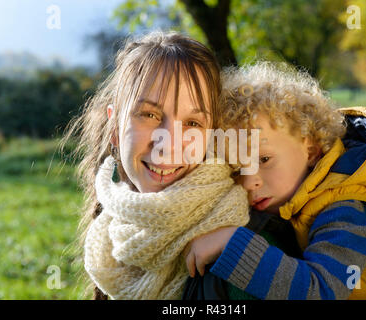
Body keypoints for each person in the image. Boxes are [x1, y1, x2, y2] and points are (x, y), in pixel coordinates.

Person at [183, 61, 366, 299]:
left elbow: (320, 292)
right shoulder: (299, 193)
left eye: (264, 159)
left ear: (310, 150)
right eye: (237, 170)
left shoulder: (353, 207)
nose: (249, 183)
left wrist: (231, 242)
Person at [60, 31, 250, 300]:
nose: (168, 144)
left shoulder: (244, 249)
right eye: (149, 115)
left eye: (193, 124)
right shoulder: (110, 240)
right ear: (115, 127)